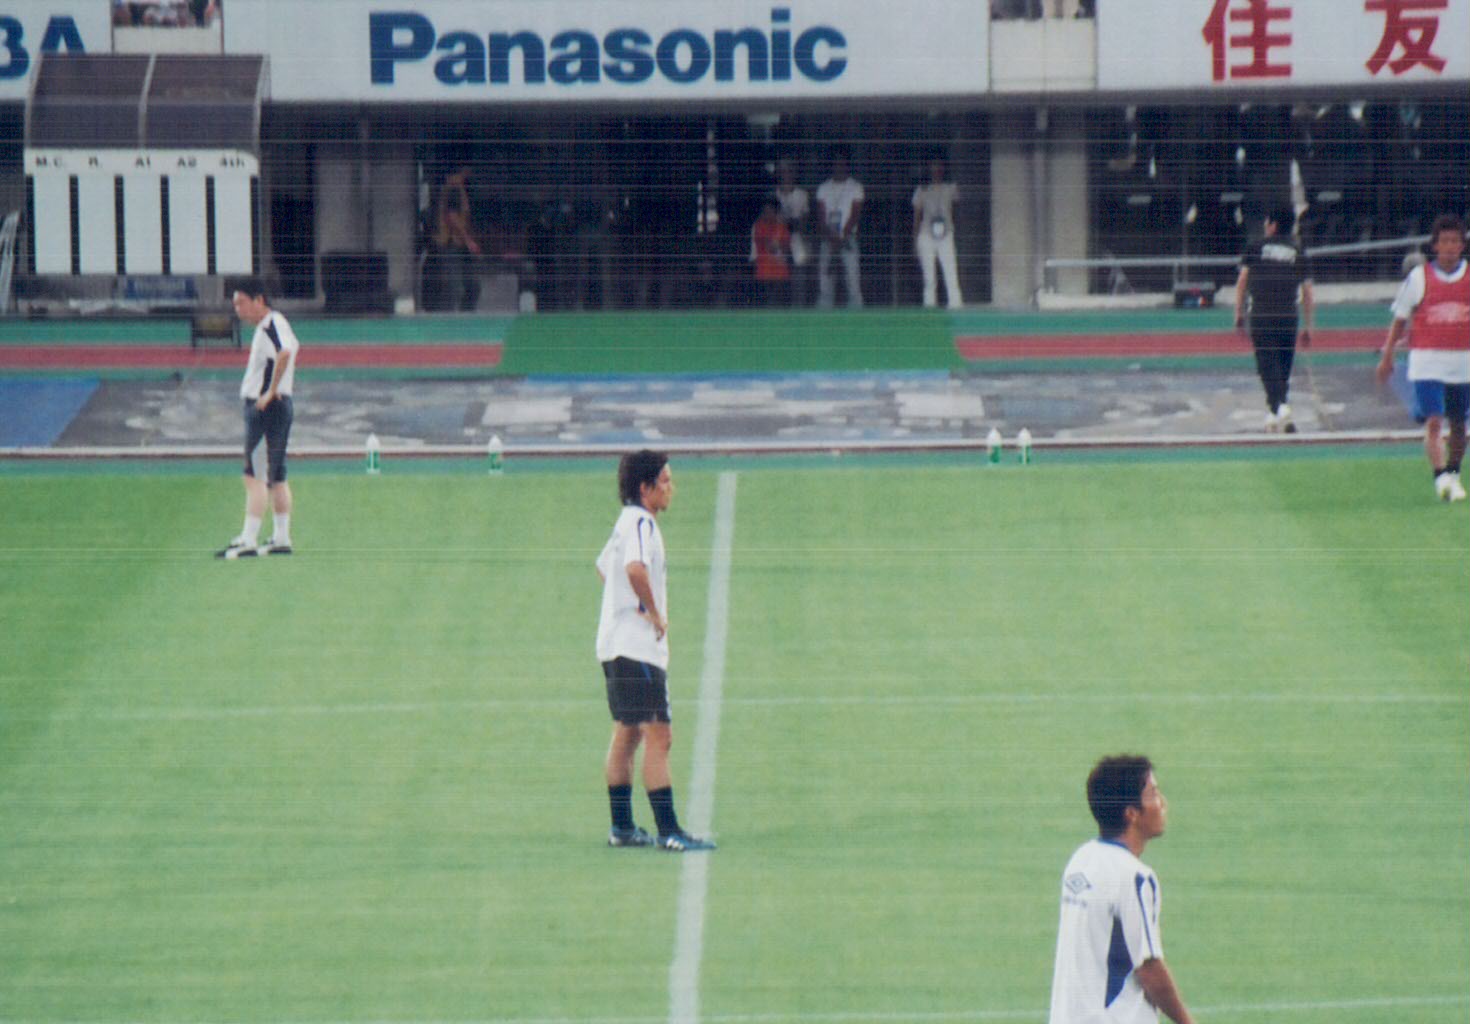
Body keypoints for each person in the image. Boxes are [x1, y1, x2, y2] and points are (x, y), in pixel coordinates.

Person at [595, 451, 715, 853]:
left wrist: (623, 605)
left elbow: (604, 569)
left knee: (628, 733)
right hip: (636, 649)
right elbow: (633, 569)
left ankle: (622, 827)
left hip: (613, 645)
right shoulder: (642, 523)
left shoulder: (625, 522)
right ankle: (669, 831)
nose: (670, 488)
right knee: (659, 736)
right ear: (645, 488)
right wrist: (652, 611)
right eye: (664, 481)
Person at [1049, 755, 1196, 1024]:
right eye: (1153, 794)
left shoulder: (1081, 860)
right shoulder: (1135, 877)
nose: (1163, 803)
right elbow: (1149, 970)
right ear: (1132, 813)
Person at [1375, 213, 1469, 502]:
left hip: (1463, 363)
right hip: (1428, 361)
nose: (1450, 247)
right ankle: (1439, 475)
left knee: (1459, 424)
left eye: (1455, 241)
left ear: (1462, 245)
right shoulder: (1419, 278)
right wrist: (1387, 355)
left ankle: (1453, 472)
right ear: (1435, 245)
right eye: (1444, 241)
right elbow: (1400, 319)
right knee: (1433, 420)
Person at [216, 278, 299, 559]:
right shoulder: (277, 324)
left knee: (254, 477)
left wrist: (270, 392)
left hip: (267, 409)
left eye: (241, 302)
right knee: (276, 475)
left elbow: (284, 353)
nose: (237, 309)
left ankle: (249, 539)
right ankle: (281, 537)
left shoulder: (271, 325)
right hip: (279, 406)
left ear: (259, 300)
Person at [1234, 207, 1315, 433]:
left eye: (1267, 221)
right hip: (1289, 315)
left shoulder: (1255, 247)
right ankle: (1276, 412)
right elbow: (1308, 291)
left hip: (1262, 314)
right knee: (1283, 365)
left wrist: (1238, 313)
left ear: (1273, 225)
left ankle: (1279, 407)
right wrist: (1308, 326)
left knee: (1266, 364)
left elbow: (1242, 282)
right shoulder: (1299, 252)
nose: (1264, 225)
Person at [912, 157, 964, 309]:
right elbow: (917, 216)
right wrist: (914, 239)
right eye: (933, 166)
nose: (936, 170)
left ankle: (955, 305)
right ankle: (929, 306)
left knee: (950, 272)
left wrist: (953, 228)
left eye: (939, 166)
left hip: (946, 234)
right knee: (929, 277)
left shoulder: (951, 188)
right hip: (926, 234)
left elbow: (957, 209)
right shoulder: (922, 189)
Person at [815, 151, 864, 309]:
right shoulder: (823, 188)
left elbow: (855, 214)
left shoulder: (856, 187)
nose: (839, 167)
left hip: (848, 238)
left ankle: (856, 316)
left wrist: (842, 236)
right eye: (836, 164)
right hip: (828, 239)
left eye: (842, 164)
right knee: (825, 282)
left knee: (852, 281)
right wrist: (832, 237)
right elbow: (821, 216)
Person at [432, 167, 482, 311]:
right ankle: (449, 317)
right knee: (455, 287)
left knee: (472, 285)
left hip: (459, 243)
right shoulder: (454, 188)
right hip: (451, 242)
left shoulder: (459, 188)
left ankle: (465, 316)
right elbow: (452, 217)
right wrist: (468, 240)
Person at [774, 159, 811, 306]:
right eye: (783, 171)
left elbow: (803, 222)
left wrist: (788, 222)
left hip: (797, 242)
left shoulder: (802, 195)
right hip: (777, 243)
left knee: (798, 282)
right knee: (777, 284)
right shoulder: (773, 194)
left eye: (789, 171)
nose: (786, 174)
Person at [750, 199, 792, 307]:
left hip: (780, 269)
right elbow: (766, 244)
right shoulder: (759, 226)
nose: (767, 214)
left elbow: (786, 246)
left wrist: (780, 247)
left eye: (770, 211)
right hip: (764, 268)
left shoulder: (782, 227)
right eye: (765, 212)